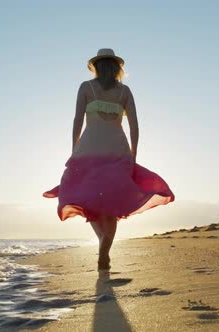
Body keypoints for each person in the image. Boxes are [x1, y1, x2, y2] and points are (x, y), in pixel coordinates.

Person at [44, 48, 174, 270]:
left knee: (88, 199)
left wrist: (74, 149)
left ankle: (102, 243)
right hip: (116, 150)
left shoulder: (88, 88)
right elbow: (134, 126)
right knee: (111, 202)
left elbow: (77, 120)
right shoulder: (122, 91)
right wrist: (133, 153)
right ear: (117, 68)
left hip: (89, 150)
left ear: (96, 66)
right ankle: (105, 247)